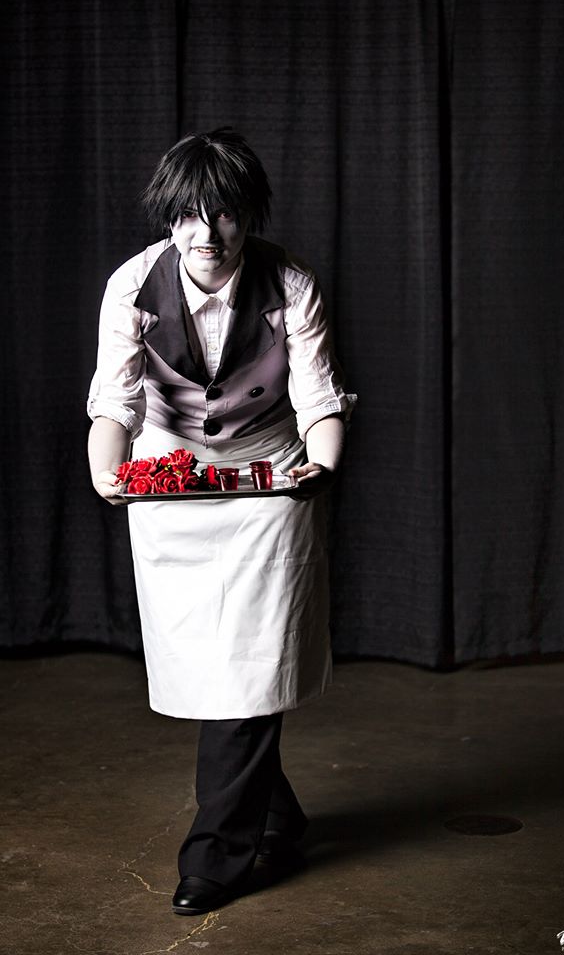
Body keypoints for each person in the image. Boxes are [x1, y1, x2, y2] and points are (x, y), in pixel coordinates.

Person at [87, 127, 356, 916]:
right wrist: (107, 469)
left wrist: (320, 466)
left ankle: (214, 856)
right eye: (189, 215)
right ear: (169, 217)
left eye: (226, 213)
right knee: (214, 667)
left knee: (251, 660)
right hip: (170, 481)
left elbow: (318, 396)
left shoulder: (291, 282)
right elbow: (116, 401)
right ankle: (278, 817)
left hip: (271, 481)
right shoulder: (132, 285)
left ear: (249, 214)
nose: (207, 232)